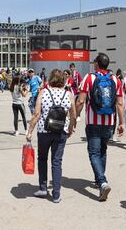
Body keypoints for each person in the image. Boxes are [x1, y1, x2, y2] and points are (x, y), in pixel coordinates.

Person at [76, 52, 125, 201]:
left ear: (97, 63)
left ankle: (102, 182)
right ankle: (100, 180)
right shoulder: (115, 80)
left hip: (93, 121)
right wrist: (121, 123)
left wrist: (74, 117)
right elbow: (120, 103)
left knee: (94, 153)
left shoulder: (89, 78)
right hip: (109, 122)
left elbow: (80, 101)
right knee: (103, 151)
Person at [26, 69, 76, 203]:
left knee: (42, 158)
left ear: (50, 79)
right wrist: (71, 128)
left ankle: (43, 188)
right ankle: (56, 194)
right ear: (62, 80)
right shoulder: (68, 94)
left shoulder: (43, 92)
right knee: (57, 161)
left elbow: (36, 114)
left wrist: (30, 131)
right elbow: (73, 115)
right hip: (61, 132)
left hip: (44, 131)